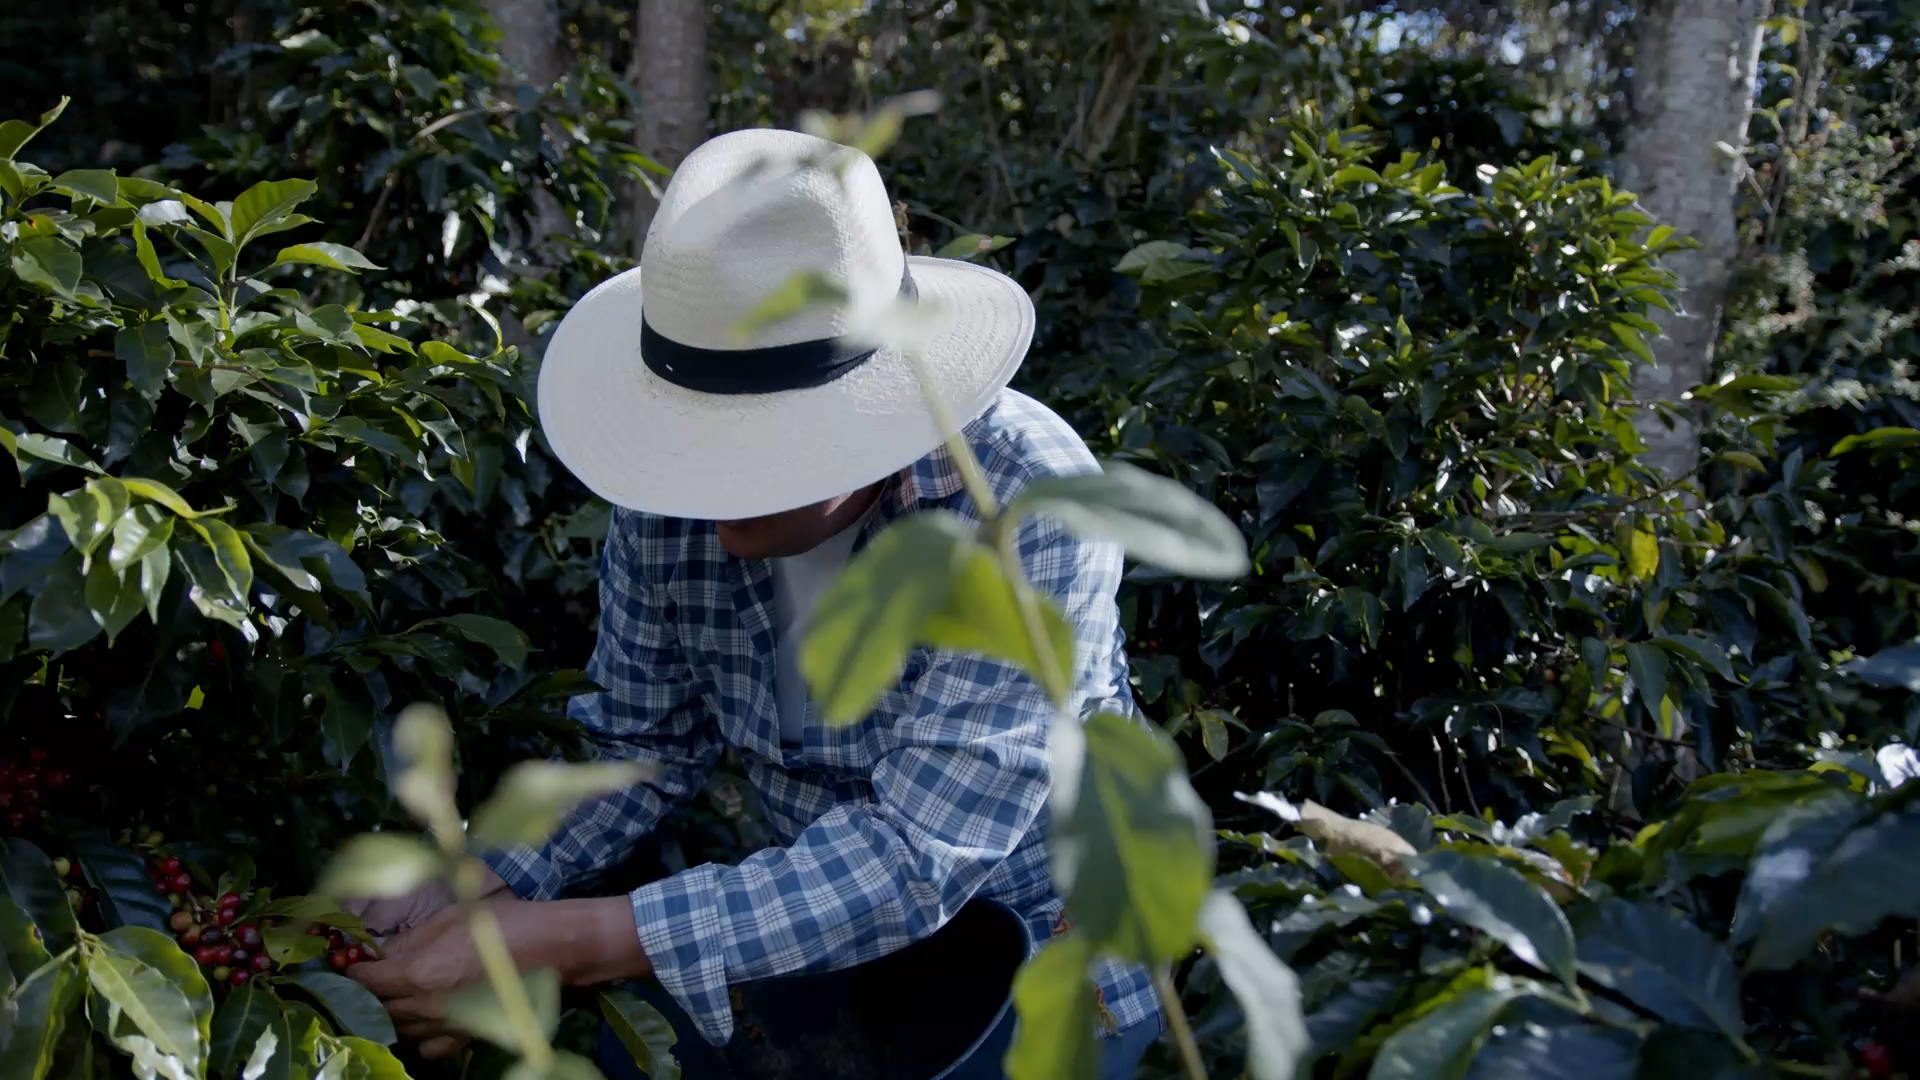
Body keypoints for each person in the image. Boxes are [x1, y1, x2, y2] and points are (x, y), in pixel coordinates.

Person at [342, 128, 1160, 1079]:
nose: (714, 491)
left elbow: (913, 854)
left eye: (763, 454)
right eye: (698, 447)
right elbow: (638, 744)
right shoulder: (668, 500)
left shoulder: (1022, 506)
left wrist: (565, 940)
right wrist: (482, 881)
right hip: (829, 961)